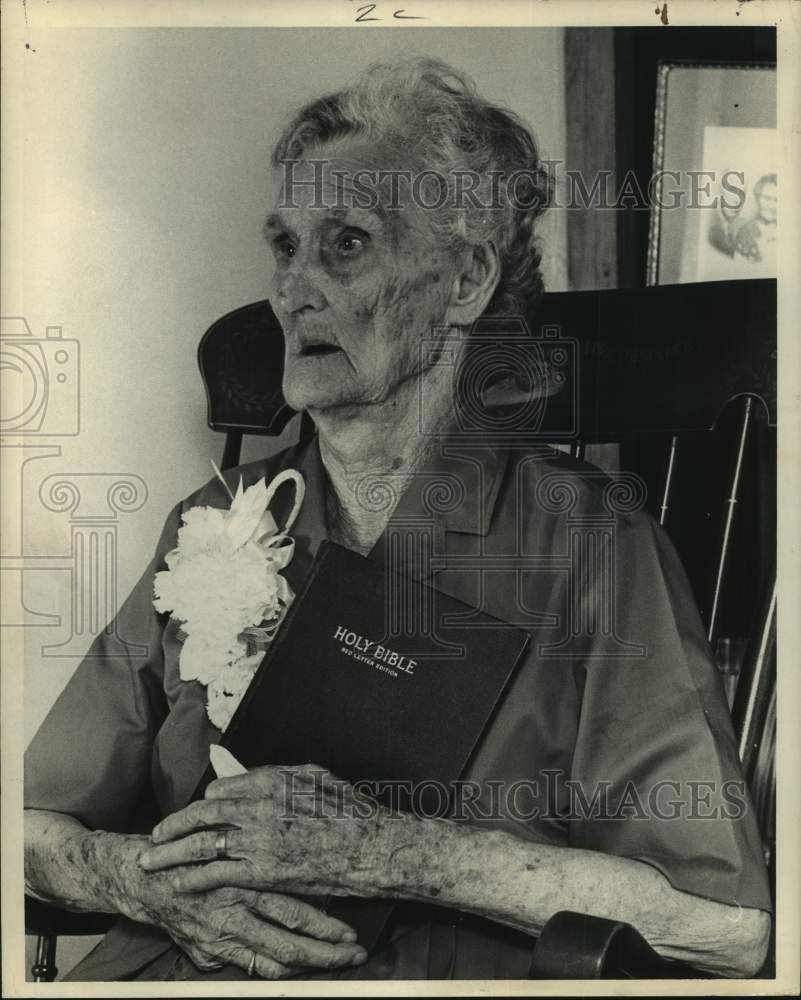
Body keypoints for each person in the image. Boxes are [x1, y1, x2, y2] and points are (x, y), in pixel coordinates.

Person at [24, 58, 771, 982]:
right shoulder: (216, 519)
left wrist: (395, 856)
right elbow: (31, 823)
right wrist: (141, 882)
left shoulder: (588, 545)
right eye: (285, 246)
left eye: (346, 244)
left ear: (464, 279)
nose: (291, 289)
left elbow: (722, 925)